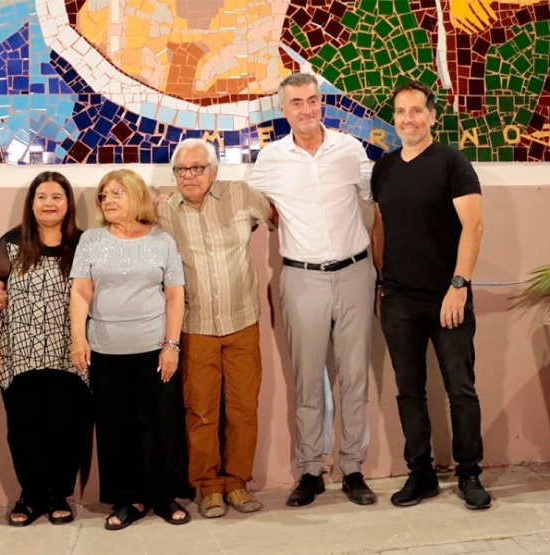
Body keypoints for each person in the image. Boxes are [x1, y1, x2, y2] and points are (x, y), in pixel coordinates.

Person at [248, 72, 377, 507]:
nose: (306, 109)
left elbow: (377, 197)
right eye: (296, 103)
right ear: (283, 110)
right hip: (302, 277)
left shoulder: (350, 149)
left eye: (312, 100)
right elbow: (246, 208)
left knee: (355, 374)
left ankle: (354, 467)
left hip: (356, 273)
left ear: (321, 103)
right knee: (307, 378)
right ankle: (309, 469)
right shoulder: (270, 160)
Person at [371, 80, 489, 510]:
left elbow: (473, 227)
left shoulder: (453, 163)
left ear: (432, 116)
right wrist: (382, 283)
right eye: (401, 112)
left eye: (417, 111)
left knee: (461, 389)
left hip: (447, 296)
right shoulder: (383, 167)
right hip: (399, 299)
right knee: (409, 390)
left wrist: (459, 286)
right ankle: (420, 474)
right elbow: (380, 226)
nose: (409, 119)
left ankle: (469, 473)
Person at [155, 138, 272, 518]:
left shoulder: (241, 195)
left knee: (242, 408)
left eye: (196, 168)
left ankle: (236, 483)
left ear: (214, 171)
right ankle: (207, 487)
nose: (188, 176)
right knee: (201, 409)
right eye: (181, 170)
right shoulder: (163, 211)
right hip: (196, 325)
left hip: (242, 320)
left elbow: (278, 214)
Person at [70, 169, 188, 530]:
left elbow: (175, 295)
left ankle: (164, 496)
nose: (108, 201)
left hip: (155, 349)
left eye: (117, 193)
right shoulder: (91, 240)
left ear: (136, 196)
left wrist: (172, 345)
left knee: (160, 426)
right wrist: (78, 337)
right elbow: (80, 290)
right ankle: (128, 499)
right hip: (107, 350)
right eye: (104, 196)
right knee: (115, 428)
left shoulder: (162, 241)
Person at [0, 171, 92, 527]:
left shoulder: (84, 244)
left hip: (69, 351)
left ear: (68, 203)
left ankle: (59, 494)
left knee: (67, 426)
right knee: (25, 428)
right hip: (21, 351)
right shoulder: (12, 244)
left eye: (57, 197)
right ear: (31, 203)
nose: (49, 204)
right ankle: (31, 495)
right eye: (41, 197)